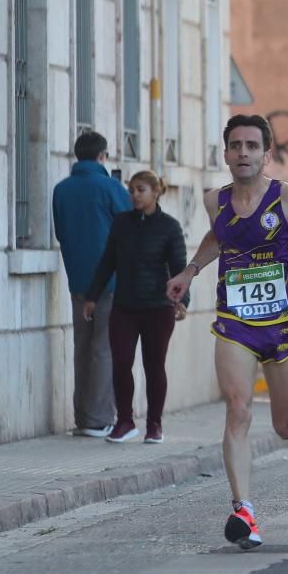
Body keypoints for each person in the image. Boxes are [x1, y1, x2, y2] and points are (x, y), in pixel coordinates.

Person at [165, 114, 288, 549]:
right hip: (235, 324)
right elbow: (219, 238)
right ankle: (243, 509)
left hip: (283, 326)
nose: (243, 153)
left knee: (286, 426)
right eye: (236, 146)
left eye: (251, 146)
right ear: (225, 153)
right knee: (238, 408)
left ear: (266, 154)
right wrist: (190, 272)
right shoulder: (216, 201)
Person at [83, 171, 189, 443]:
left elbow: (179, 267)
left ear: (156, 192)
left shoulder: (170, 227)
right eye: (131, 190)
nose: (134, 195)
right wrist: (92, 296)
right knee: (120, 363)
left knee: (154, 365)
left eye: (140, 189)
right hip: (125, 307)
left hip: (158, 307)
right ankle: (125, 421)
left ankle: (154, 424)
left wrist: (182, 301)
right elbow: (107, 262)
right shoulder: (121, 224)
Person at [53, 131, 131, 438]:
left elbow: (60, 232)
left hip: (77, 280)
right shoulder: (111, 187)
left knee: (82, 347)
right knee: (104, 348)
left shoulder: (61, 190)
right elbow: (129, 230)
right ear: (102, 156)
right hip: (110, 281)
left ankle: (83, 417)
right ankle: (99, 419)